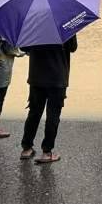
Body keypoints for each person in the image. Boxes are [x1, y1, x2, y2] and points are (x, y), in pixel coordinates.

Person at [20, 35, 78, 164]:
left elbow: (23, 47)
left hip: (36, 77)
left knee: (34, 113)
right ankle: (47, 151)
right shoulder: (65, 24)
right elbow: (73, 47)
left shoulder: (33, 24)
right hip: (57, 77)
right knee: (53, 115)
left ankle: (26, 148)